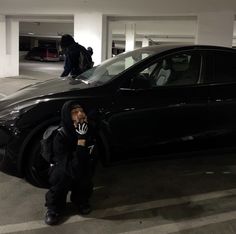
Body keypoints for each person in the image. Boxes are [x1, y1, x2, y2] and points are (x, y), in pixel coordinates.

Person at [45, 101, 95, 225]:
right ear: (68, 117)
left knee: (85, 174)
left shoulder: (89, 130)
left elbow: (90, 156)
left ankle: (81, 200)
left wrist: (83, 137)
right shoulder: (60, 136)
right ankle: (54, 208)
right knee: (61, 178)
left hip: (79, 163)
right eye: (74, 112)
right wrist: (81, 140)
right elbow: (71, 168)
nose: (80, 114)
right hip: (64, 167)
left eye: (81, 111)